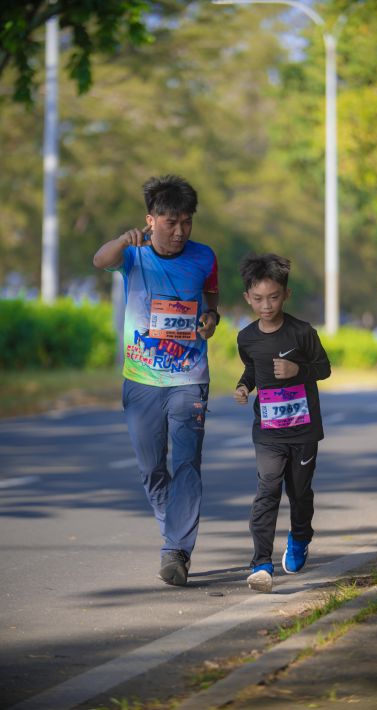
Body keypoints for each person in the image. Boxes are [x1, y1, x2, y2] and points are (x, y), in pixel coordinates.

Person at [93, 175, 220, 587]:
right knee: (151, 468)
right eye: (170, 222)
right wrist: (122, 241)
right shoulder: (133, 255)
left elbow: (212, 300)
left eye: (187, 222)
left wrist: (211, 319)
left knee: (186, 464)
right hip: (141, 378)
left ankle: (177, 549)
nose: (180, 231)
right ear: (151, 220)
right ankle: (174, 531)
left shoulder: (205, 257)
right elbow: (100, 260)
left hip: (189, 377)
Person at [234, 254, 331, 593]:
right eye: (258, 298)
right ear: (248, 297)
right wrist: (244, 386)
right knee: (268, 488)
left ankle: (301, 536)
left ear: (286, 294)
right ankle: (261, 563)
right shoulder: (246, 338)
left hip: (303, 430)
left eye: (273, 297)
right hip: (268, 431)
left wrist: (297, 370)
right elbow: (252, 368)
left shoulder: (302, 333)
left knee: (300, 491)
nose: (266, 305)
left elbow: (324, 368)